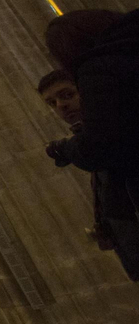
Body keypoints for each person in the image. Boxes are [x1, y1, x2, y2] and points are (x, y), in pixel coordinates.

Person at [41, 61, 139, 280]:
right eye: (52, 103)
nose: (61, 106)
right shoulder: (87, 141)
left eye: (67, 95)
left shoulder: (115, 127)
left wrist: (64, 148)